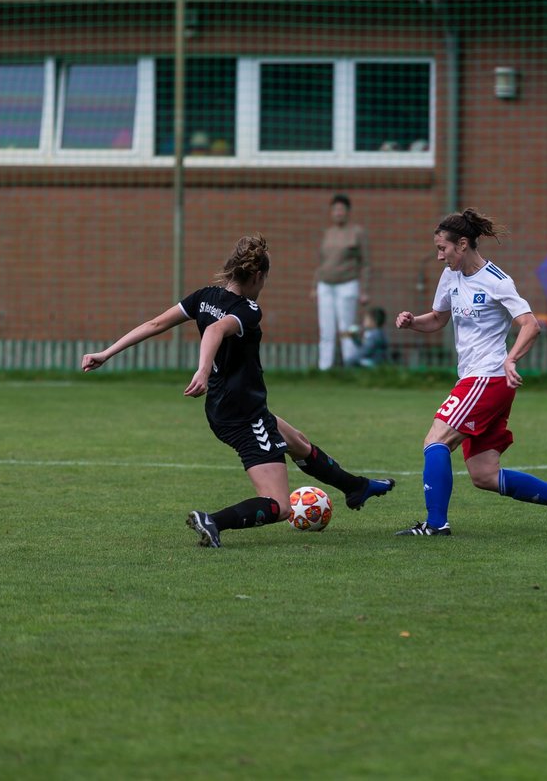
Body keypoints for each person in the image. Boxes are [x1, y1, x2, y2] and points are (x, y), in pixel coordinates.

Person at [81, 234, 395, 548]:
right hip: (244, 413)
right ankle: (213, 521)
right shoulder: (249, 310)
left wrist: (106, 353)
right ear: (258, 276)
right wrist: (203, 370)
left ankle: (356, 487)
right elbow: (217, 330)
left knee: (296, 441)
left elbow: (154, 324)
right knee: (280, 505)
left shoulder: (205, 297)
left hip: (225, 406)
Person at [394, 208, 547, 536]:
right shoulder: (450, 276)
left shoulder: (497, 281)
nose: (439, 256)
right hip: (478, 380)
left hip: (487, 377)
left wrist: (511, 359)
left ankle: (435, 525)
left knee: (436, 440)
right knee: (484, 475)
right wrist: (413, 322)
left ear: (462, 244)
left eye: (442, 248)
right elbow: (438, 318)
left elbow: (530, 325)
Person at [313, 194, 372, 370]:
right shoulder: (328, 233)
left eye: (341, 209)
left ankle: (349, 365)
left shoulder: (357, 232)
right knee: (326, 329)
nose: (338, 213)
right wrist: (314, 286)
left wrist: (364, 290)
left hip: (347, 284)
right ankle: (324, 368)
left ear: (347, 212)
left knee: (346, 328)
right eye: (335, 210)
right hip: (325, 285)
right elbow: (321, 262)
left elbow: (366, 263)